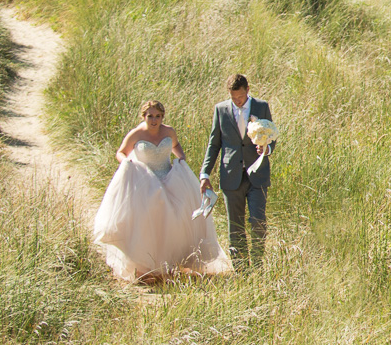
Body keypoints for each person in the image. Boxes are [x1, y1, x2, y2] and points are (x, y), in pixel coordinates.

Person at [93, 99, 232, 282]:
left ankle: (175, 262)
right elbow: (120, 152)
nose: (154, 120)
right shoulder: (136, 134)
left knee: (178, 215)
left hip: (169, 177)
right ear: (144, 117)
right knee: (151, 217)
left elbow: (175, 146)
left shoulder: (169, 131)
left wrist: (181, 158)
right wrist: (127, 162)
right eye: (150, 116)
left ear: (162, 117)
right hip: (145, 180)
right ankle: (146, 266)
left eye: (158, 116)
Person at [200, 73, 274, 261]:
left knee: (258, 221)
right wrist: (205, 173)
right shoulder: (221, 109)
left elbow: (272, 136)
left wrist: (266, 149)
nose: (237, 101)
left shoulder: (261, 107)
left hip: (257, 175)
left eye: (240, 97)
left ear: (247, 91)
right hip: (231, 175)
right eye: (233, 98)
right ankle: (241, 269)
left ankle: (258, 263)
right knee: (235, 225)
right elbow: (214, 143)